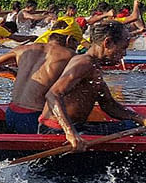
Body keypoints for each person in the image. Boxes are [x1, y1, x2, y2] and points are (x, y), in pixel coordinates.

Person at [38, 20, 146, 148]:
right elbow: (52, 95)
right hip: (56, 131)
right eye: (123, 48)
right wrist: (70, 133)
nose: (124, 54)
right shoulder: (84, 63)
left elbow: (109, 105)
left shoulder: (94, 66)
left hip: (77, 127)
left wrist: (141, 119)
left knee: (134, 126)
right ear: (108, 43)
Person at [0, 23, 78, 133]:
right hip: (34, 115)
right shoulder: (70, 56)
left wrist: (11, 72)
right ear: (69, 40)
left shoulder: (22, 49)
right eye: (77, 43)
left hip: (11, 112)